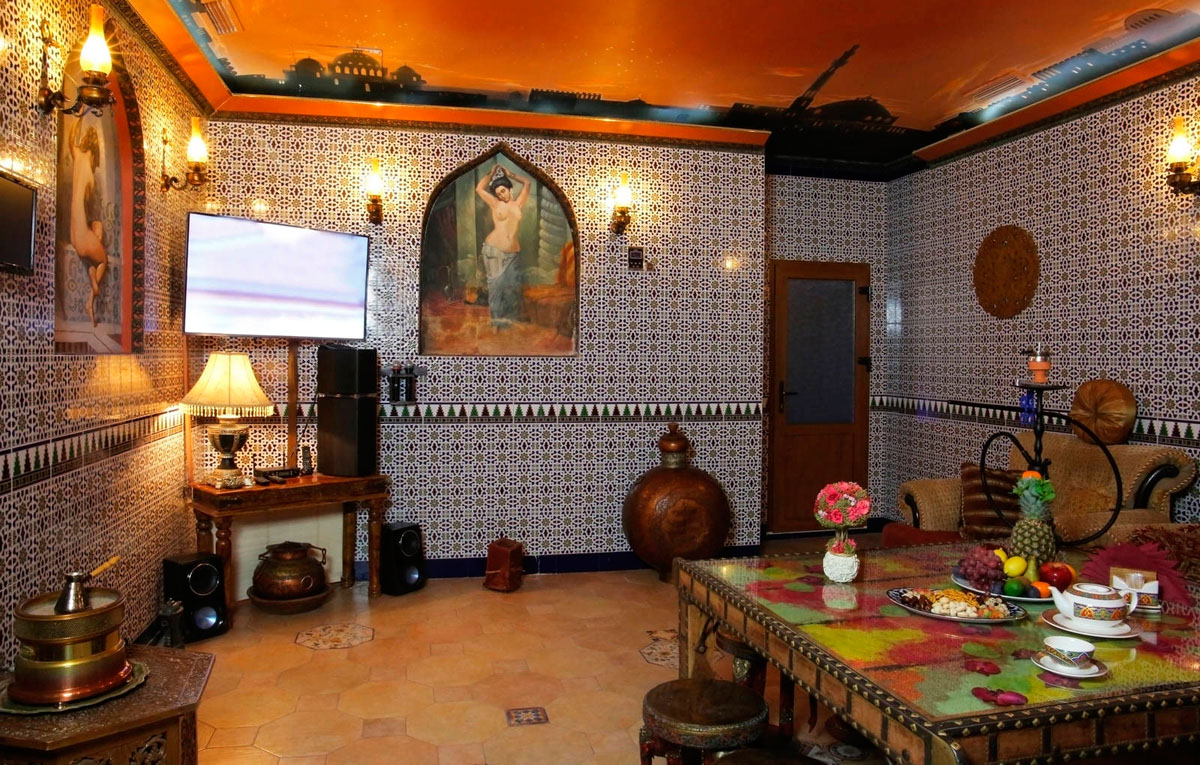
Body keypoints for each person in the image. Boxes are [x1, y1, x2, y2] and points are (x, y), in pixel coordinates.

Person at [474, 164, 532, 327]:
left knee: (512, 287)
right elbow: (479, 189)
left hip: (514, 253)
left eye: (503, 191)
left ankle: (510, 321)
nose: (501, 195)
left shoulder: (518, 204)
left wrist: (510, 174)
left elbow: (527, 183)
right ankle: (497, 322)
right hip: (494, 250)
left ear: (509, 188)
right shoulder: (495, 203)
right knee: (496, 287)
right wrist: (491, 173)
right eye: (498, 193)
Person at [67, 121, 108, 326]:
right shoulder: (91, 178)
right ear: (94, 152)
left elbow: (70, 138)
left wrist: (79, 115)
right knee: (103, 260)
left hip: (73, 234)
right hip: (82, 235)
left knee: (92, 260)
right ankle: (91, 298)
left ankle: (90, 293)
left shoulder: (76, 155)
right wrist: (96, 229)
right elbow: (93, 213)